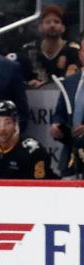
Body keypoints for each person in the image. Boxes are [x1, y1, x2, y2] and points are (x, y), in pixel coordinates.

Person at [0, 100, 56, 179]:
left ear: (16, 124)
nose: (2, 128)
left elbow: (40, 188)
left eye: (8, 122)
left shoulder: (32, 151)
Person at [18, 5, 81, 89]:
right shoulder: (28, 50)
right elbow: (21, 78)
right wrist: (30, 84)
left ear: (63, 28)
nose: (52, 25)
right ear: (40, 27)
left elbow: (74, 79)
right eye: (47, 22)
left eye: (56, 22)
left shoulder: (73, 50)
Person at [50, 36, 84, 177]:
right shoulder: (70, 81)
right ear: (80, 54)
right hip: (70, 152)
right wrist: (56, 124)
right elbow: (60, 112)